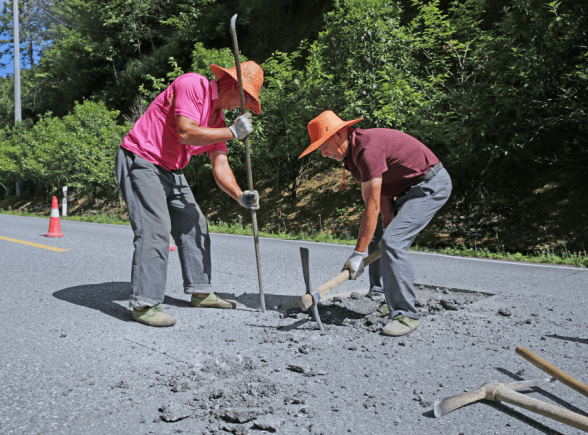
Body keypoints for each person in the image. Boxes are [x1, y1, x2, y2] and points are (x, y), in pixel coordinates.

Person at [115, 61, 264, 327]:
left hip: (172, 169)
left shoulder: (217, 120)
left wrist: (240, 196)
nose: (241, 107)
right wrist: (231, 132)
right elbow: (185, 132)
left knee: (195, 225)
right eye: (245, 98)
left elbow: (221, 165)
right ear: (231, 84)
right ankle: (143, 303)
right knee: (155, 230)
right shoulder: (192, 84)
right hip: (142, 159)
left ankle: (201, 291)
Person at [299, 111, 452, 336]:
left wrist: (358, 255)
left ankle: (406, 314)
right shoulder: (351, 155)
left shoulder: (367, 149)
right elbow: (382, 195)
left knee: (392, 242)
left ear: (339, 134)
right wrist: (387, 223)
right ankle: (384, 296)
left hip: (429, 187)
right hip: (404, 191)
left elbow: (371, 208)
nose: (323, 153)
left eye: (323, 146)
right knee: (381, 236)